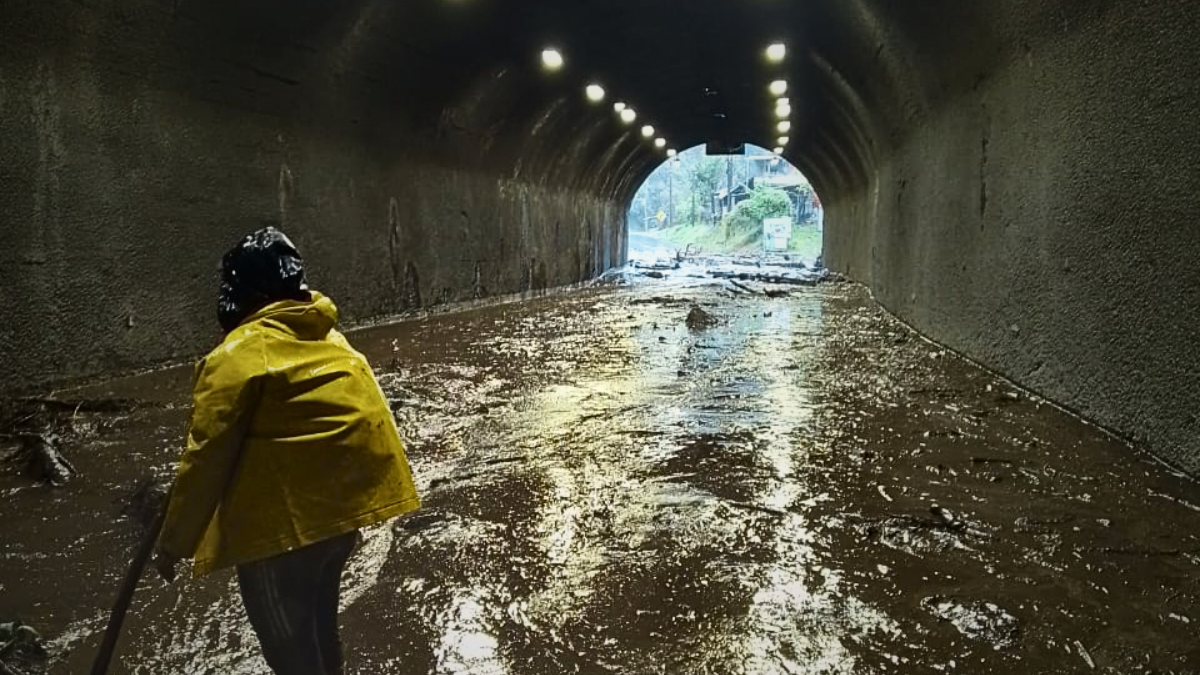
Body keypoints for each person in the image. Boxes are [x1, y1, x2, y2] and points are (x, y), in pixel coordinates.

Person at [152, 227, 420, 675]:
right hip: (339, 525)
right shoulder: (332, 341)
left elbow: (206, 457)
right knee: (318, 627)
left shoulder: (236, 355)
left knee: (289, 652)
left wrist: (173, 544)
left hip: (281, 541)